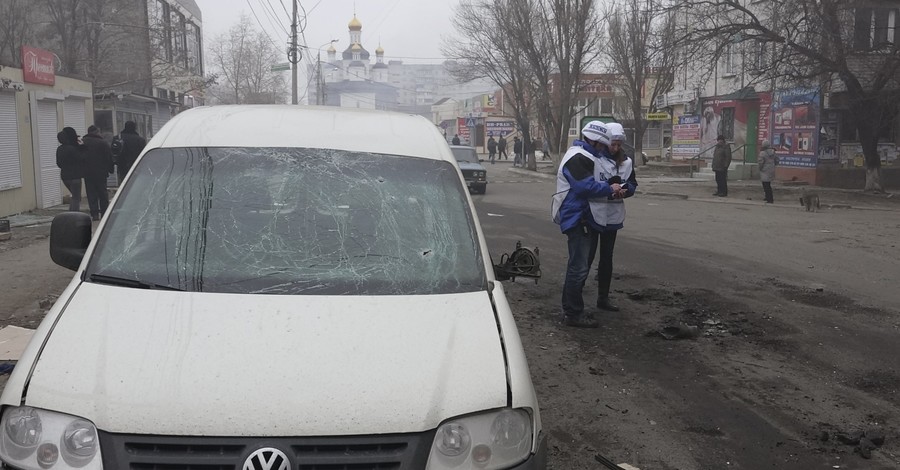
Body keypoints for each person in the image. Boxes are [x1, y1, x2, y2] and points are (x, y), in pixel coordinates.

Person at [551, 120, 622, 328]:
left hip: (582, 217)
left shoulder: (586, 155)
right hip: (578, 217)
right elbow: (585, 187)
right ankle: (573, 313)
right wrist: (610, 188)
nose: (602, 148)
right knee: (578, 268)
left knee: (578, 266)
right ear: (593, 140)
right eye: (601, 144)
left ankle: (572, 309)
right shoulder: (578, 157)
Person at [589, 122, 637, 313]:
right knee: (588, 255)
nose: (615, 148)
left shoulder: (627, 162)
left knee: (607, 257)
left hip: (613, 216)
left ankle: (603, 297)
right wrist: (607, 189)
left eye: (618, 144)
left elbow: (632, 183)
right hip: (593, 214)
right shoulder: (594, 158)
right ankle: (578, 295)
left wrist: (626, 191)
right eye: (612, 143)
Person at [81, 125, 114, 221]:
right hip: (101, 172)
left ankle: (94, 214)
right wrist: (110, 169)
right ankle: (104, 213)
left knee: (91, 193)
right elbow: (108, 157)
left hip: (87, 172)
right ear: (97, 132)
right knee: (102, 193)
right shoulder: (102, 143)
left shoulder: (83, 142)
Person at [56, 127, 84, 212]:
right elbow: (81, 158)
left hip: (65, 176)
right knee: (76, 197)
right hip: (75, 176)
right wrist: (82, 147)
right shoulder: (73, 149)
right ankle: (74, 214)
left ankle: (71, 213)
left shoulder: (59, 149)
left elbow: (59, 163)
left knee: (74, 196)